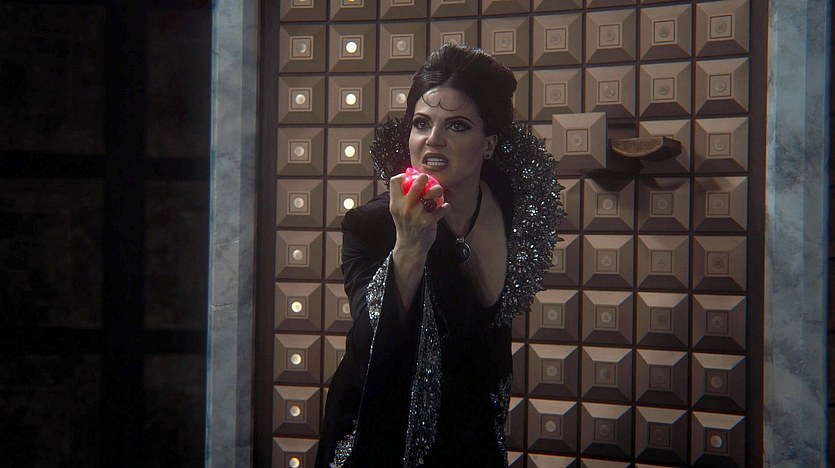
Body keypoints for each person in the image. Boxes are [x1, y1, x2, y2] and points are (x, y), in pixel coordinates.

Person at [316, 43, 564, 467]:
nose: (433, 139)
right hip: (386, 435)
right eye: (421, 123)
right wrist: (410, 245)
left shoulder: (513, 202)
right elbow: (370, 347)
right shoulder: (372, 224)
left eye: (458, 125)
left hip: (477, 431)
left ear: (488, 144)